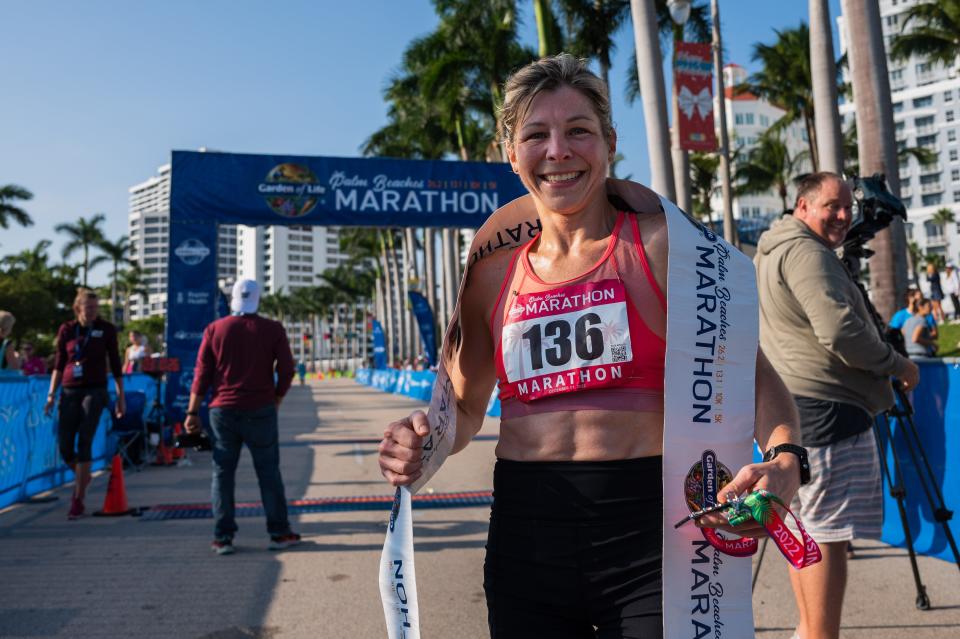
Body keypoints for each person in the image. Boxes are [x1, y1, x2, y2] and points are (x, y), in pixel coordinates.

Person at [378, 54, 804, 637]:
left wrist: (786, 458)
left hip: (655, 539)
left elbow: (746, 373)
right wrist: (420, 441)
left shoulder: (662, 248)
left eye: (578, 130)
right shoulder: (491, 273)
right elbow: (466, 407)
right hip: (527, 538)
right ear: (511, 153)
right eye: (536, 135)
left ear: (608, 141)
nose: (558, 151)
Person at [754, 172, 920, 639]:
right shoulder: (808, 254)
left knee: (804, 529)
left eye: (848, 206)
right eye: (832, 206)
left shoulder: (773, 248)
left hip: (796, 410)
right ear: (802, 206)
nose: (845, 215)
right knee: (827, 537)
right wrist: (897, 364)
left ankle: (809, 631)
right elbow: (842, 333)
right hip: (829, 409)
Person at [184, 278, 299, 555]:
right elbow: (287, 370)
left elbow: (202, 375)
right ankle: (279, 533)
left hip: (222, 412)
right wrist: (276, 400)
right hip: (261, 409)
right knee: (268, 473)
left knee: (222, 474)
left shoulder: (215, 329)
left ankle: (223, 538)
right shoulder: (272, 329)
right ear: (257, 299)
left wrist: (191, 411)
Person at [43, 289, 125, 519]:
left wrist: (121, 396)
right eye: (88, 307)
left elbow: (116, 364)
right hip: (69, 390)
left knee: (85, 439)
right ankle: (83, 476)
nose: (92, 311)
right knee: (65, 445)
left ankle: (78, 498)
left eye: (95, 307)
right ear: (78, 307)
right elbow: (59, 364)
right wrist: (51, 394)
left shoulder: (106, 329)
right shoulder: (67, 330)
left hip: (95, 390)